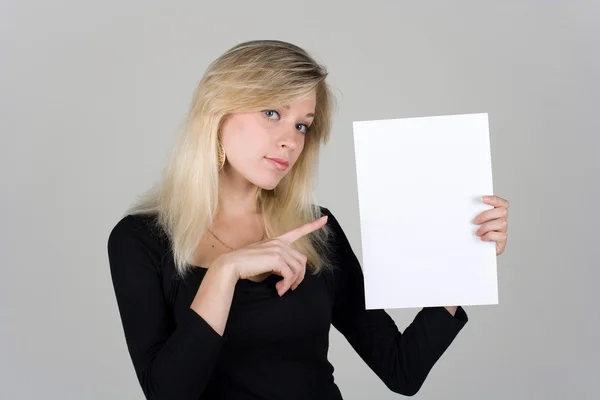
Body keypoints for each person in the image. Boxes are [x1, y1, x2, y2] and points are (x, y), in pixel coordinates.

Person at [107, 40, 510, 400]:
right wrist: (225, 272)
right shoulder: (140, 239)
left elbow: (401, 370)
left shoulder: (317, 230)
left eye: (302, 125)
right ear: (217, 113)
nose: (291, 139)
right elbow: (169, 393)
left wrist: (463, 256)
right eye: (272, 113)